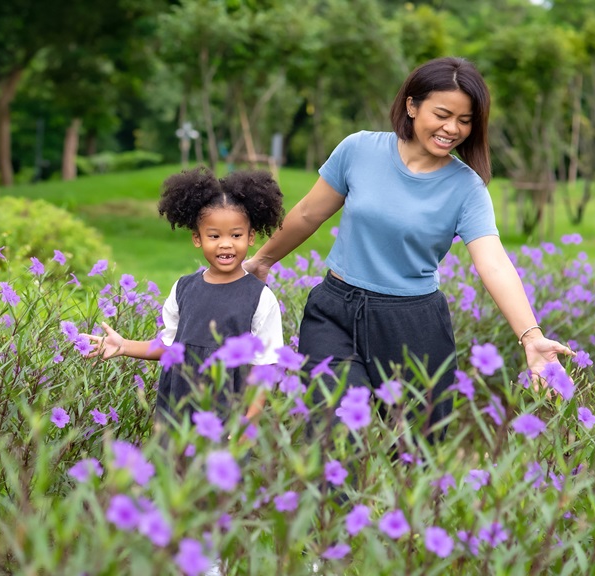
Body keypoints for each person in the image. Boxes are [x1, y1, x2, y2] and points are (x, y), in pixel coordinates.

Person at [242, 57, 574, 436]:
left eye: (465, 121)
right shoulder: (359, 150)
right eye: (443, 114)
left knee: (415, 450)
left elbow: (494, 263)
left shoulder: (467, 188)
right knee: (331, 432)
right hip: (335, 312)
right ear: (412, 106)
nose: (452, 128)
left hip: (413, 326)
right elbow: (307, 215)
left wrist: (531, 336)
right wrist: (261, 261)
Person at [84, 168, 286, 425]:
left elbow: (265, 366)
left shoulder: (260, 297)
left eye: (236, 235)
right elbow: (171, 347)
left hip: (228, 415)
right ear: (197, 239)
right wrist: (124, 346)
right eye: (214, 236)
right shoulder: (183, 288)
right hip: (177, 410)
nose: (225, 244)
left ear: (251, 237)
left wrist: (249, 422)